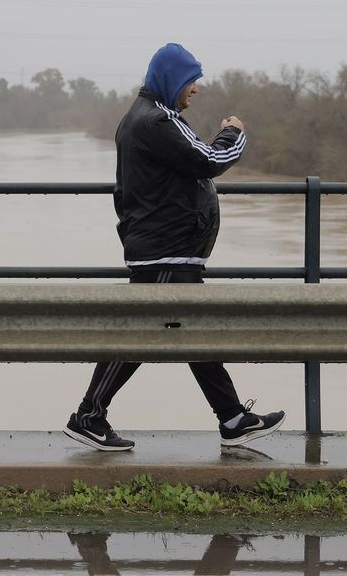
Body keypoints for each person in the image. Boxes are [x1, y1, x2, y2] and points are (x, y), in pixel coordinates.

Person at [64, 43, 284, 452]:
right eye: (190, 80)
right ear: (170, 79)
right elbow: (209, 159)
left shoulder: (145, 118)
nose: (195, 89)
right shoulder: (157, 121)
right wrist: (234, 130)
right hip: (166, 251)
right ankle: (90, 415)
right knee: (155, 335)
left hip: (164, 249)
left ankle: (232, 419)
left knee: (182, 333)